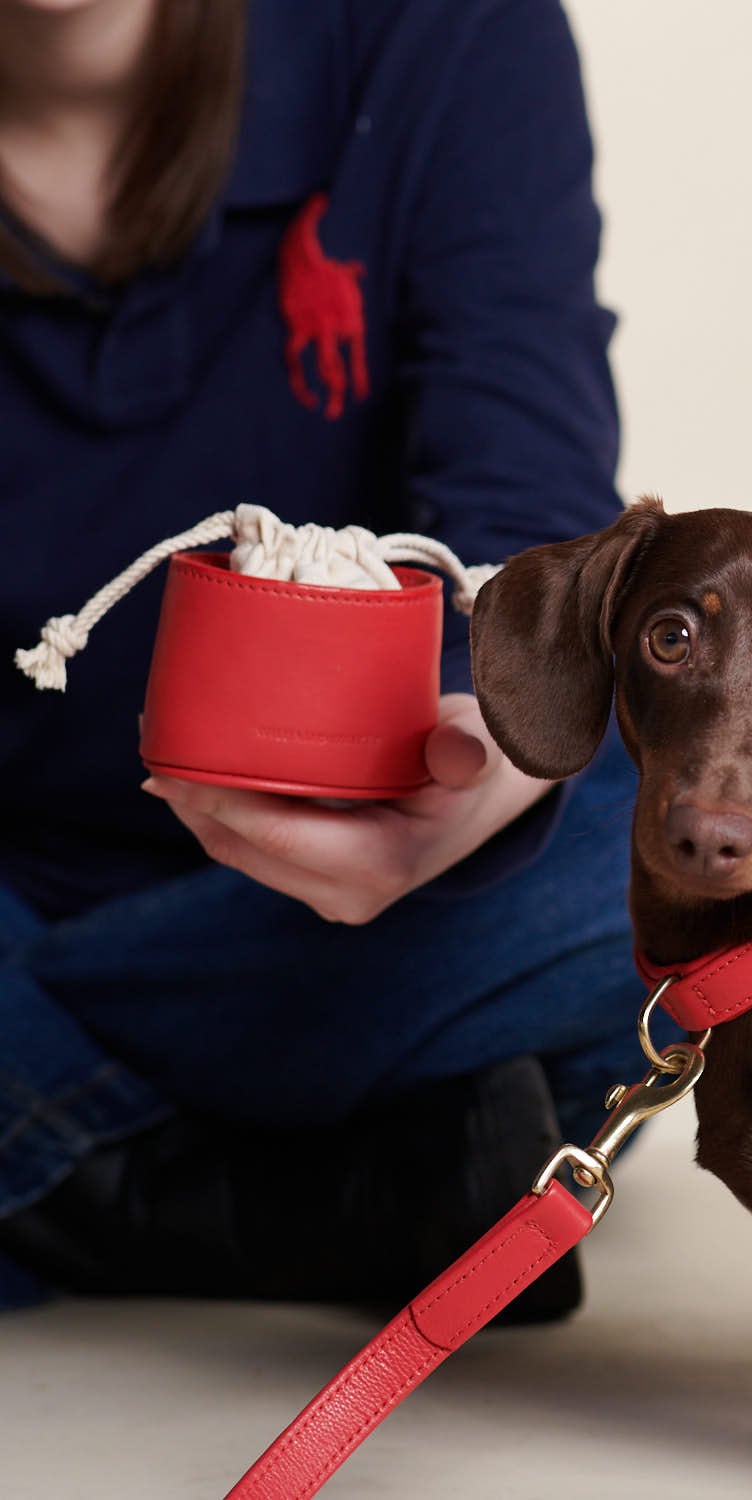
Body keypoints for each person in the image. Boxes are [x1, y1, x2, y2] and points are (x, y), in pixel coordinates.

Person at [0, 0, 643, 1317]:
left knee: (738, 812)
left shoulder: (446, 30)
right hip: (19, 877)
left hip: (386, 907)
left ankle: (60, 1143)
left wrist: (487, 761)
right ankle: (265, 1197)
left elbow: (530, 532)